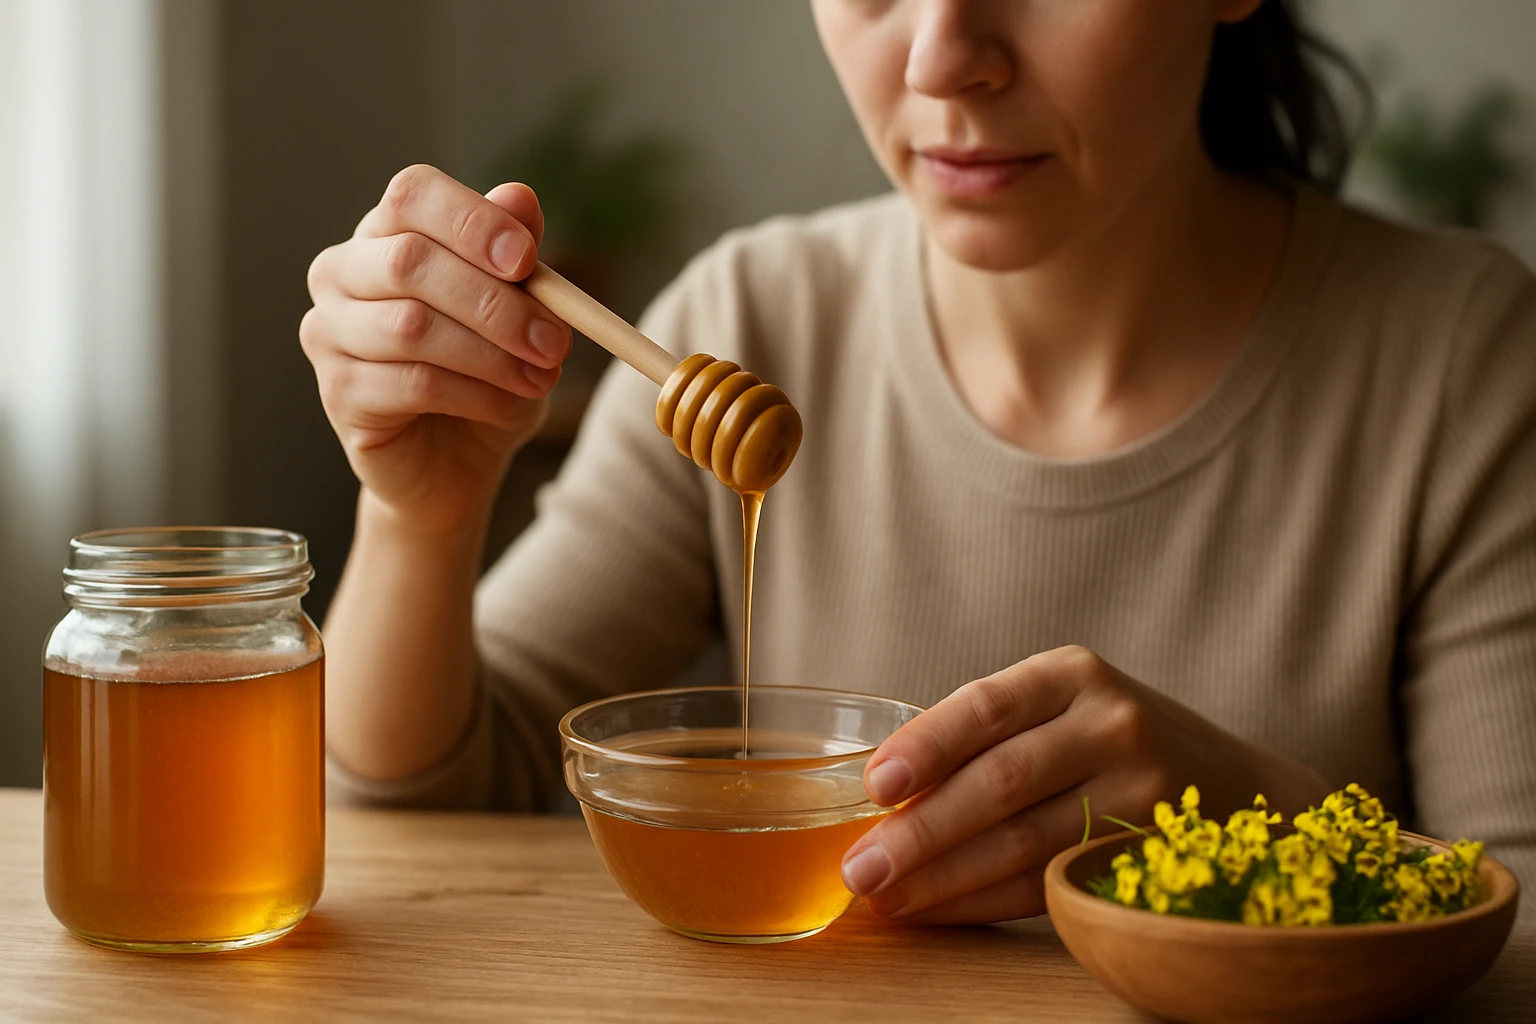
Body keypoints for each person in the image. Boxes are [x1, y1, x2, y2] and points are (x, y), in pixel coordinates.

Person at [300, 0, 1536, 925]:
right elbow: (418, 809)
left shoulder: (1463, 359)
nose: (942, 59)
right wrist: (422, 517)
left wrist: (1259, 818)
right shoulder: (753, 318)